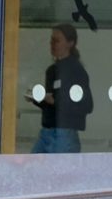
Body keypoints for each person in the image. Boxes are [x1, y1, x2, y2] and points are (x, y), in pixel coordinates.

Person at [33, 23, 92, 153]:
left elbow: (86, 105)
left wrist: (55, 101)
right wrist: (39, 99)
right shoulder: (52, 70)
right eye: (51, 40)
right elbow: (52, 103)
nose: (52, 44)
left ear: (70, 43)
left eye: (57, 40)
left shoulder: (76, 71)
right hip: (47, 130)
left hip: (64, 132)